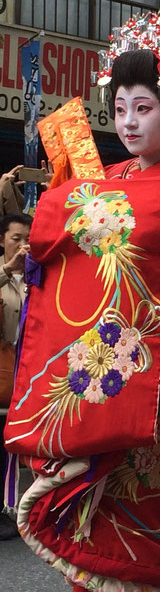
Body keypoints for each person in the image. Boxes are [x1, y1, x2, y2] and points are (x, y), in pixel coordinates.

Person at [3, 12, 160, 590]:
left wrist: (71, 204)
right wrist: (71, 201)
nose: (127, 122)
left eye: (144, 108)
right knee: (86, 515)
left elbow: (120, 222)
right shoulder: (111, 176)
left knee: (137, 504)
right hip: (95, 351)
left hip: (156, 367)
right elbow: (62, 228)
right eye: (120, 108)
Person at [1, 212, 31, 542]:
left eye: (28, 240)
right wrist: (7, 271)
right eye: (16, 239)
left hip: (21, 377)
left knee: (9, 446)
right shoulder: (4, 273)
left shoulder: (35, 277)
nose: (23, 246)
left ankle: (8, 507)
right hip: (2, 369)